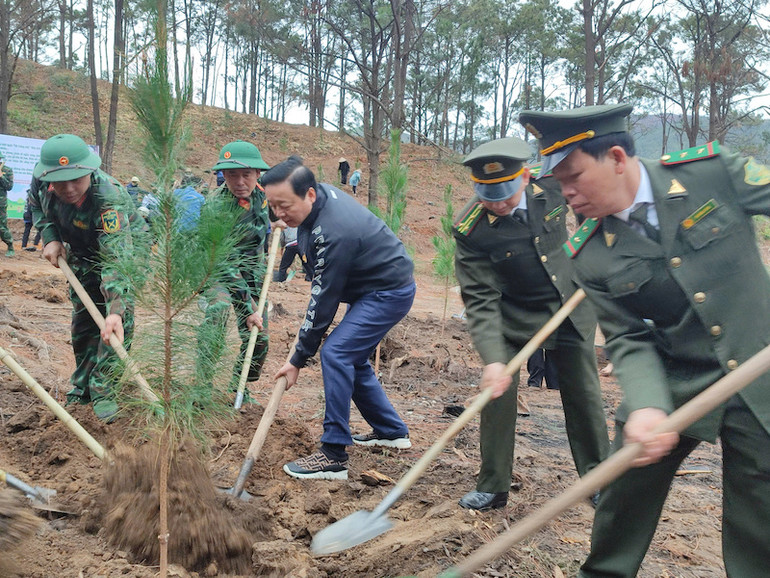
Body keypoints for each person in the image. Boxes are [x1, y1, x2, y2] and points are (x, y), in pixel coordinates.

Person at [519, 103, 770, 577]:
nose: (565, 193)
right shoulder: (589, 254)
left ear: (616, 157)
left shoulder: (711, 173)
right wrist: (649, 405)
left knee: (761, 509)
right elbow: (628, 338)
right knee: (623, 490)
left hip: (759, 365)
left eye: (573, 176)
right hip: (673, 377)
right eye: (557, 184)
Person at [452, 137, 609, 510]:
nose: (498, 204)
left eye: (505, 192)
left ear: (524, 177)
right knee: (497, 393)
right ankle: (493, 485)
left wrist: (594, 247)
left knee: (584, 394)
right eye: (488, 195)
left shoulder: (552, 183)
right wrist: (493, 360)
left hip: (567, 303)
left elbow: (593, 204)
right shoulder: (470, 228)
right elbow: (480, 298)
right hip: (512, 316)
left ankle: (600, 478)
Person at [262, 156, 416, 480]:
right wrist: (281, 215)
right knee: (353, 357)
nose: (278, 213)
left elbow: (323, 302)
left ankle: (333, 453)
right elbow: (291, 213)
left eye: (284, 205)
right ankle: (391, 431)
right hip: (366, 285)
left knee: (337, 352)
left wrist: (297, 358)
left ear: (310, 195)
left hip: (388, 290)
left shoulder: (335, 230)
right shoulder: (310, 200)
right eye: (272, 205)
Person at [29, 134, 143, 422]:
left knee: (118, 323)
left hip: (124, 252)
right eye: (60, 182)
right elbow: (38, 208)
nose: (68, 188)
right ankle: (82, 386)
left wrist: (116, 310)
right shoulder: (43, 180)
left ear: (89, 171)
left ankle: (104, 388)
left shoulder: (109, 198)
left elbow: (117, 259)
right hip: (79, 251)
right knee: (83, 318)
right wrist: (51, 237)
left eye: (75, 180)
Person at [197, 140, 271, 398]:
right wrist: (248, 306)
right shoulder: (216, 207)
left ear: (257, 175)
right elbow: (223, 261)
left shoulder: (263, 195)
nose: (239, 181)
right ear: (223, 176)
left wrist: (280, 216)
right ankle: (202, 385)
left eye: (246, 175)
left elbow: (268, 216)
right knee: (217, 313)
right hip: (219, 271)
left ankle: (240, 388)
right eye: (232, 175)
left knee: (259, 338)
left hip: (253, 273)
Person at [0, 152, 15, 256]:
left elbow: (9, 186)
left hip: (1, 203)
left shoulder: (7, 170)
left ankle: (10, 246)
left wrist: (1, 176)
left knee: (2, 226)